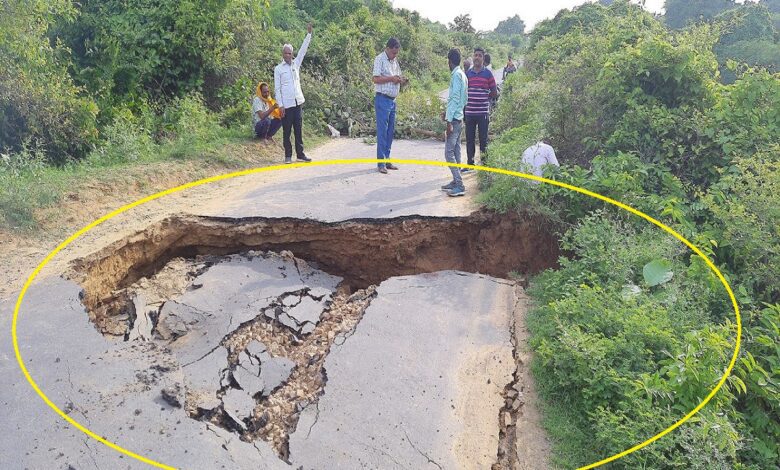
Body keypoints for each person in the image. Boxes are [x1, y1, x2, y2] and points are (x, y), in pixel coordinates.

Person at [274, 23, 313, 164]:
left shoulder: (296, 64)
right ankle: (288, 156)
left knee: (298, 130)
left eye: (290, 53)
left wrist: (309, 35)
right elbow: (277, 89)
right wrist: (281, 106)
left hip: (298, 102)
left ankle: (300, 154)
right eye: (286, 53)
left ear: (292, 54)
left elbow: (303, 50)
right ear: (282, 54)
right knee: (286, 132)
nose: (288, 55)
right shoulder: (278, 69)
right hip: (287, 105)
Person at [372, 38, 408, 174]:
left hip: (392, 100)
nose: (395, 55)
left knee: (390, 131)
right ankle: (380, 162)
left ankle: (387, 159)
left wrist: (401, 80)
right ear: (387, 48)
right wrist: (391, 79)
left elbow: (396, 76)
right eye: (393, 52)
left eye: (396, 53)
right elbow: (375, 78)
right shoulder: (379, 59)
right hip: (382, 99)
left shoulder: (394, 61)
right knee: (382, 131)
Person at [464, 47, 497, 171]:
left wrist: (484, 96)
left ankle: (485, 166)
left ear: (483, 59)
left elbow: (494, 92)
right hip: (470, 112)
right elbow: (464, 91)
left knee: (483, 140)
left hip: (483, 112)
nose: (477, 57)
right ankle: (470, 164)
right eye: (475, 55)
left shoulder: (488, 74)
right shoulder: (468, 74)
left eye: (479, 56)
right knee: (469, 140)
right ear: (473, 57)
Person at [441, 48, 468, 197]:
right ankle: (455, 181)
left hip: (455, 120)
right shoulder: (463, 75)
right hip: (459, 117)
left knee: (448, 153)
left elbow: (455, 99)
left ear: (449, 61)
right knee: (456, 151)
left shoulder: (456, 76)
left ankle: (459, 185)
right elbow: (464, 99)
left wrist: (449, 120)